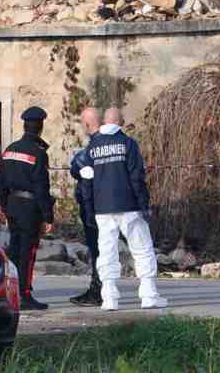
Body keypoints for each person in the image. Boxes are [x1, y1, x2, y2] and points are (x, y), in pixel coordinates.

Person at [87, 106, 165, 310]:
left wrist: (90, 206)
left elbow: (85, 176)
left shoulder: (93, 145)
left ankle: (109, 298)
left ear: (104, 122)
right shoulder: (128, 143)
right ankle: (148, 295)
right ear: (120, 122)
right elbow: (136, 177)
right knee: (142, 249)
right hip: (129, 205)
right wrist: (144, 204)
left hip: (103, 208)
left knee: (107, 251)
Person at [0, 106, 55, 311]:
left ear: (24, 125)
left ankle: (11, 292)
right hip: (30, 208)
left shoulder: (9, 149)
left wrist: (2, 206)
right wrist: (48, 216)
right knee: (28, 253)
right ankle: (25, 294)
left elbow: (1, 182)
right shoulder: (38, 154)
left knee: (14, 251)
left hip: (13, 205)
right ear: (40, 127)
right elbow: (42, 187)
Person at [68, 106, 104, 307]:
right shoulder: (113, 143)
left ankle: (98, 290)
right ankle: (102, 289)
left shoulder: (94, 147)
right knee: (102, 249)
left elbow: (77, 166)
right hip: (107, 204)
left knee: (97, 249)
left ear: (88, 123)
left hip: (93, 207)